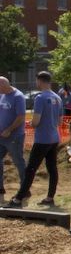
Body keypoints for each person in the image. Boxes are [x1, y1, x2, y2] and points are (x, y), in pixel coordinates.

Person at [7, 71, 63, 207]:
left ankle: (18, 199)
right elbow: (60, 121)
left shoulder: (40, 98)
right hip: (54, 138)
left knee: (30, 169)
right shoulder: (58, 98)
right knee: (52, 168)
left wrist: (30, 123)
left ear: (39, 81)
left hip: (42, 139)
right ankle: (50, 197)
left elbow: (36, 121)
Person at [0, 76, 27, 207]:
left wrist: (9, 129)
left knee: (18, 161)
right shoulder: (2, 95)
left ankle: (24, 189)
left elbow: (21, 116)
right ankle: (0, 187)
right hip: (1, 136)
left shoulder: (18, 96)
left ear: (4, 85)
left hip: (14, 136)